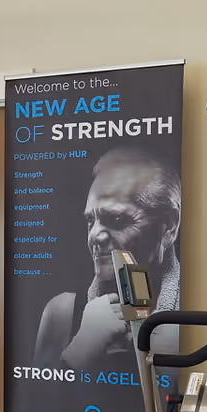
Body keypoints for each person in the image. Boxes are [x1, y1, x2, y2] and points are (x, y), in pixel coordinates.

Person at [34, 148, 181, 370]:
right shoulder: (61, 313)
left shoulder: (194, 312)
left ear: (169, 226)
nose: (94, 236)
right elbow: (35, 400)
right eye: (90, 221)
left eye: (117, 218)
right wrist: (79, 351)